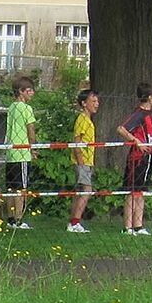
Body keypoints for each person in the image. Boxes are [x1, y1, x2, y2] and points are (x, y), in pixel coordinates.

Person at [114, 82, 152, 236]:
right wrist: (137, 141)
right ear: (149, 98)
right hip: (138, 158)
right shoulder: (139, 114)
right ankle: (127, 226)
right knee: (132, 191)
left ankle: (138, 225)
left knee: (142, 191)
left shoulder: (151, 115)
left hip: (149, 158)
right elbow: (121, 129)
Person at [2, 76, 37, 228]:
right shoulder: (26, 109)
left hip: (11, 152)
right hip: (22, 152)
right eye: (29, 90)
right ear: (21, 92)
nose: (32, 93)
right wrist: (33, 148)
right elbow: (31, 129)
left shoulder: (11, 107)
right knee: (21, 188)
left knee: (11, 187)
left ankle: (10, 218)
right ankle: (18, 219)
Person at [68, 88, 99, 233]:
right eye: (93, 101)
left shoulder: (88, 120)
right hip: (83, 162)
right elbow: (77, 142)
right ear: (84, 103)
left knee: (81, 191)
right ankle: (75, 222)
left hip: (88, 161)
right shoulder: (81, 120)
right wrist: (81, 162)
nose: (96, 104)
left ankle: (73, 221)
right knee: (87, 190)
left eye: (97, 101)